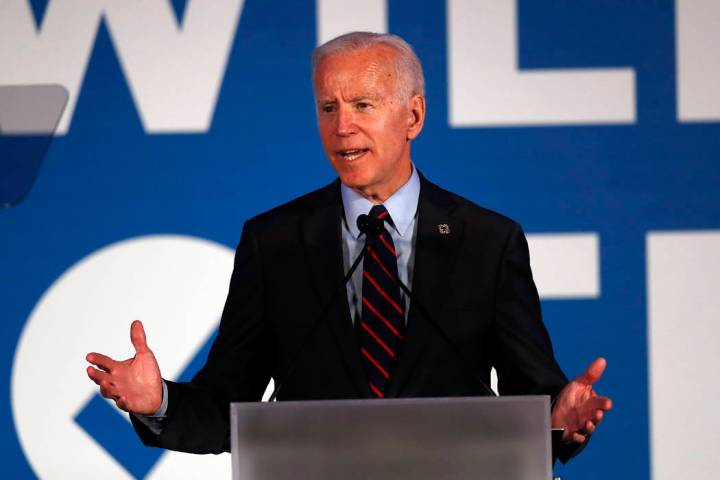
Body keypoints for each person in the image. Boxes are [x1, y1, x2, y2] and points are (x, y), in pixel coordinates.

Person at [86, 32, 611, 461]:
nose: (342, 127)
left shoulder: (488, 241)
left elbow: (531, 403)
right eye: (327, 107)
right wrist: (158, 403)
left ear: (413, 116)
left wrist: (558, 420)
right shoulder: (275, 242)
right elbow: (229, 409)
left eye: (363, 104)